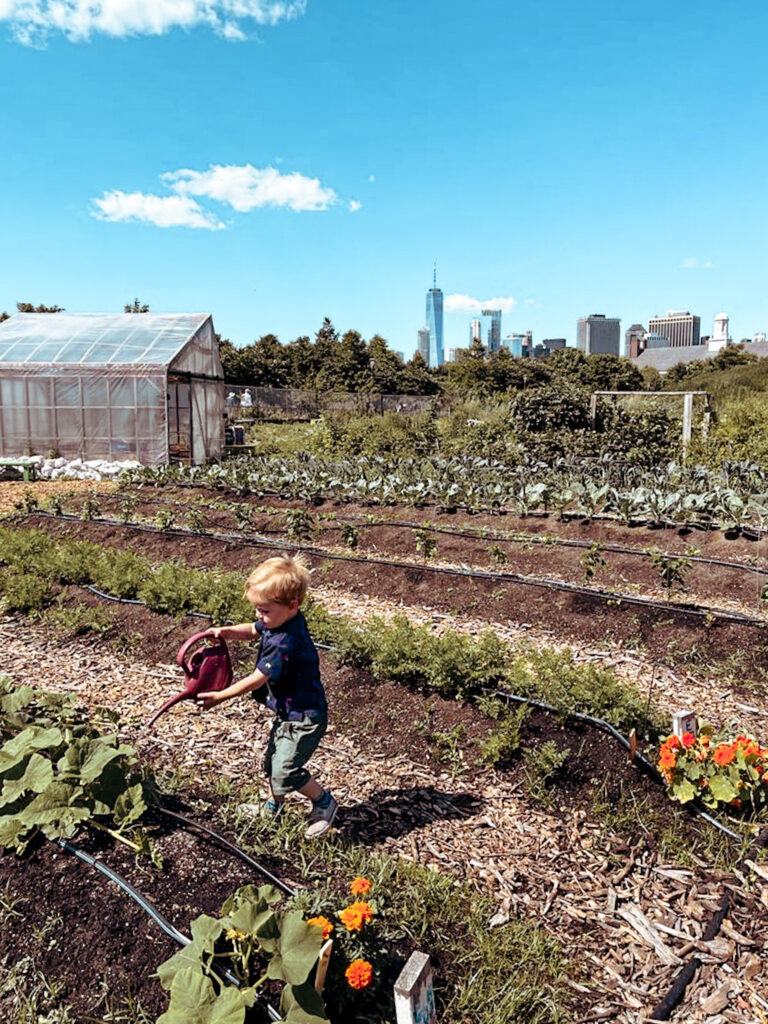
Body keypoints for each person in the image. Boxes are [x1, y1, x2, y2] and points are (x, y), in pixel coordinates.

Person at [197, 554, 337, 838]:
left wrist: (220, 696)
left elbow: (257, 679)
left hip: (305, 717)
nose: (260, 617)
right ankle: (275, 805)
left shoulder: (285, 640)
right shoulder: (280, 619)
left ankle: (324, 802)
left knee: (285, 769)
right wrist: (225, 632)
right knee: (273, 762)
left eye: (264, 611)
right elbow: (251, 630)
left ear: (292, 605)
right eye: (258, 609)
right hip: (289, 712)